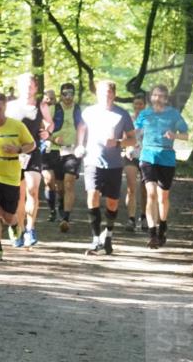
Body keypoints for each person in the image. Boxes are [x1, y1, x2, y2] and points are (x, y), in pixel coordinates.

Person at [75, 79, 136, 256]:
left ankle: (108, 235)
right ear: (97, 94)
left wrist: (118, 142)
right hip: (92, 160)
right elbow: (81, 127)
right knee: (92, 195)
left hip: (114, 164)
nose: (106, 96)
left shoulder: (122, 114)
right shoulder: (89, 112)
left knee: (112, 201)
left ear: (114, 94)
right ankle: (95, 239)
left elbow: (132, 139)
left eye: (109, 93)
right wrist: (80, 144)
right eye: (103, 93)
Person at [135, 83, 190, 249]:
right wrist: (134, 144)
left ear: (166, 99)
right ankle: (152, 234)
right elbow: (134, 133)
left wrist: (174, 135)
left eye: (161, 96)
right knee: (150, 194)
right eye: (155, 95)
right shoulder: (144, 114)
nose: (157, 98)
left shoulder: (174, 115)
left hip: (166, 158)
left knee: (163, 197)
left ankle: (163, 226)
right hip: (147, 157)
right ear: (151, 97)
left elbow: (186, 135)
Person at [0, 92, 36, 261]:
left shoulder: (17, 126)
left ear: (5, 108)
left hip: (12, 175)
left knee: (7, 216)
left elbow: (31, 144)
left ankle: (14, 225)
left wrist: (18, 150)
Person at [5, 73, 45, 247]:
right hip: (15, 153)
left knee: (32, 189)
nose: (28, 89)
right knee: (18, 195)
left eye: (31, 86)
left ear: (35, 88)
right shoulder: (10, 106)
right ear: (19, 86)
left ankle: (31, 228)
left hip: (32, 151)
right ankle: (19, 229)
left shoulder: (41, 106)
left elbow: (49, 124)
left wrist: (47, 132)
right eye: (24, 85)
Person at [47, 82, 84, 233]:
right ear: (60, 95)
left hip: (73, 151)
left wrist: (82, 144)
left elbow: (84, 128)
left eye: (70, 93)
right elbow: (43, 131)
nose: (68, 97)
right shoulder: (52, 109)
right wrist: (53, 139)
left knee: (69, 183)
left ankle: (66, 218)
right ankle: (60, 202)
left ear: (74, 95)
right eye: (65, 94)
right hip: (55, 150)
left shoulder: (79, 110)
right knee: (59, 186)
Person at [122, 91, 147, 231]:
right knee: (131, 187)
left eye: (141, 104)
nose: (138, 106)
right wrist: (126, 147)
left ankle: (143, 217)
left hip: (146, 157)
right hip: (131, 156)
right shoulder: (128, 119)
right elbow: (123, 136)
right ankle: (131, 219)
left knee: (144, 190)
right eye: (136, 104)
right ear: (133, 105)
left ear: (145, 105)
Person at [39, 89, 60, 222]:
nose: (50, 101)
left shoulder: (60, 111)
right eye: (47, 98)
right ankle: (52, 210)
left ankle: (62, 206)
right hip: (43, 150)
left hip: (58, 150)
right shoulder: (38, 112)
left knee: (60, 185)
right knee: (49, 180)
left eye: (52, 99)